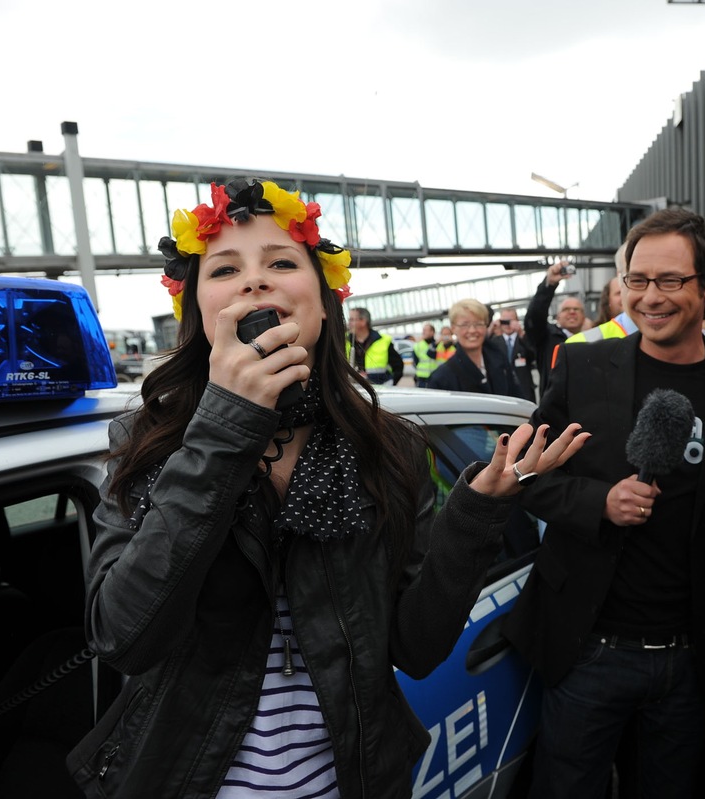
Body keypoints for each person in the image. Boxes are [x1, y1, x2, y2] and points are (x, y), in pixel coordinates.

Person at [64, 178, 587, 799]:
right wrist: (226, 424)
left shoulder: (387, 447)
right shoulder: (147, 440)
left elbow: (415, 647)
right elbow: (124, 637)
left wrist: (477, 512)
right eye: (224, 269)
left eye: (282, 262)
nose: (255, 281)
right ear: (198, 309)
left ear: (324, 300)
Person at [504, 207, 705, 798]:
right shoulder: (582, 364)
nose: (650, 297)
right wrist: (599, 501)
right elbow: (522, 471)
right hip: (587, 650)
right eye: (637, 280)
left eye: (670, 281)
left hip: (690, 656)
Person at [426, 299, 529, 399]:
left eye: (478, 324)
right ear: (453, 328)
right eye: (465, 325)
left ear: (485, 326)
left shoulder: (500, 363)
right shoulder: (440, 379)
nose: (472, 330)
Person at [524, 263, 586, 394]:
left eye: (577, 309)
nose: (572, 312)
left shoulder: (595, 338)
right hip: (555, 409)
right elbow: (534, 317)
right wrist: (549, 285)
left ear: (584, 316)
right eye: (566, 309)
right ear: (557, 317)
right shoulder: (547, 338)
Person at [345, 306, 403, 385]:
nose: (349, 323)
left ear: (363, 322)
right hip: (353, 390)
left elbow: (398, 366)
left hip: (380, 390)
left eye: (352, 320)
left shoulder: (383, 341)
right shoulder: (344, 341)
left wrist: (391, 384)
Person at [495, 307, 537, 401]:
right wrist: (491, 329)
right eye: (504, 321)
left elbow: (534, 355)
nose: (507, 325)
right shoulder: (495, 342)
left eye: (511, 321)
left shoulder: (524, 339)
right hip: (503, 392)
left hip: (525, 390)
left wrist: (521, 333)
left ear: (517, 321)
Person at [412, 322, 440, 387]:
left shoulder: (439, 345)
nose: (423, 332)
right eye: (423, 330)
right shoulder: (418, 345)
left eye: (425, 330)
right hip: (421, 378)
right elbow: (415, 362)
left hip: (436, 377)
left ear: (432, 332)